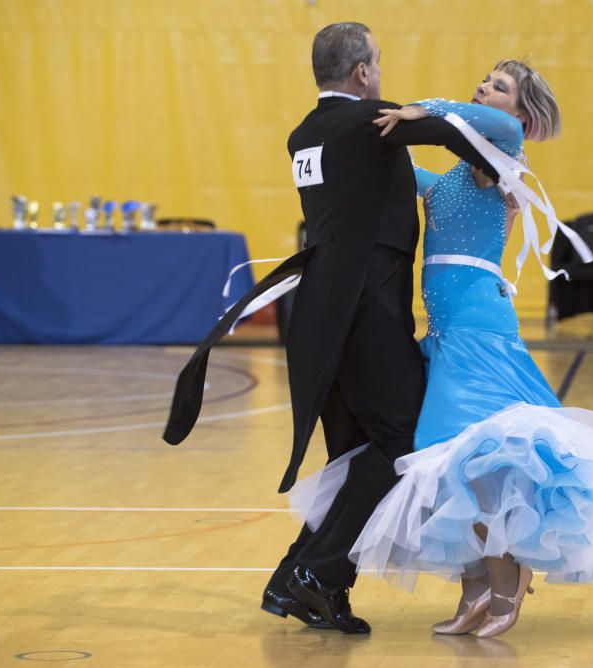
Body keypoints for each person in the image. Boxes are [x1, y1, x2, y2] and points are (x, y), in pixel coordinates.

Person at [292, 60, 593, 639]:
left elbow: (481, 122)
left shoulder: (502, 151)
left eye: (500, 87)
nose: (485, 89)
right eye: (484, 80)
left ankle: (507, 585)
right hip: (447, 330)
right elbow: (410, 176)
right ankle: (478, 589)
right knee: (451, 461)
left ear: (521, 113)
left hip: (477, 326)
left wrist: (423, 109)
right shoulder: (465, 170)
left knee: (467, 458)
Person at [161, 22, 500, 634]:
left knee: (354, 455)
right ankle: (315, 573)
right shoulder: (370, 120)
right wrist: (465, 124)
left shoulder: (304, 133)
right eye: (379, 64)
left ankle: (306, 584)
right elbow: (465, 136)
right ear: (364, 73)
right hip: (363, 304)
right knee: (401, 438)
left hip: (320, 311)